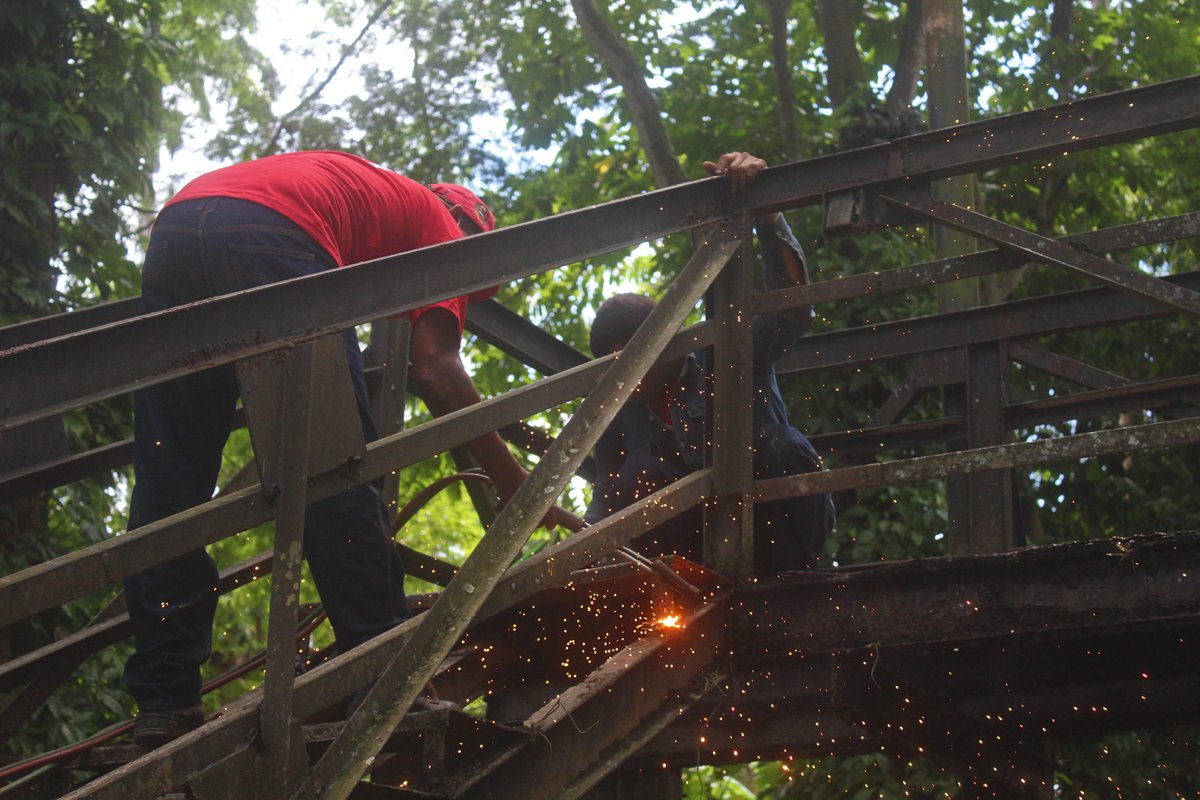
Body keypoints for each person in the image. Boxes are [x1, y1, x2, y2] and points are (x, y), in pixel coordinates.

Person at [124, 150, 551, 748]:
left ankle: (165, 701)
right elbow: (434, 367)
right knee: (336, 467)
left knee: (172, 475)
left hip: (178, 228)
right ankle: (381, 670)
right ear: (472, 237)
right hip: (273, 236)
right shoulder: (442, 226)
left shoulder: (373, 199)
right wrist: (518, 483)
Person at [584, 152, 834, 576]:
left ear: (660, 341)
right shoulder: (620, 411)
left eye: (631, 360)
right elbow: (608, 500)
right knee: (638, 475)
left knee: (780, 444)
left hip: (775, 530)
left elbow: (793, 312)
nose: (627, 378)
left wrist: (769, 217)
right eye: (616, 367)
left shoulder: (724, 350)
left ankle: (792, 580)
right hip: (691, 558)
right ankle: (679, 587)